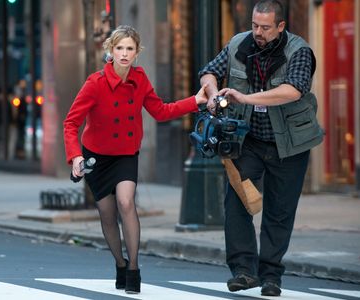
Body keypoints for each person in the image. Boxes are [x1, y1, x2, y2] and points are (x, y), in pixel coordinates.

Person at [64, 25, 208, 294]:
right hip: (96, 157)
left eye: (130, 48)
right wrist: (75, 157)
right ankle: (120, 263)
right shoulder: (95, 83)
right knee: (107, 215)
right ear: (111, 50)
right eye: (119, 48)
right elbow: (71, 123)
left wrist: (195, 101)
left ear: (136, 52)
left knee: (126, 202)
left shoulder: (140, 80)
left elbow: (161, 111)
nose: (124, 54)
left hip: (126, 154)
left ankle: (134, 269)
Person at [199, 0, 324, 297]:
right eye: (255, 25)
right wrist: (215, 94)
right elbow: (208, 72)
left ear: (280, 26)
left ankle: (271, 276)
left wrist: (246, 98)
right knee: (237, 203)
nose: (258, 32)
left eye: (265, 27)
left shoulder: (300, 51)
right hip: (249, 141)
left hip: (289, 144)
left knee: (279, 212)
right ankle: (243, 271)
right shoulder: (238, 43)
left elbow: (294, 89)